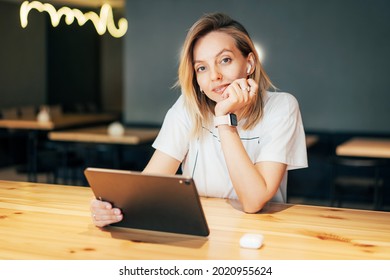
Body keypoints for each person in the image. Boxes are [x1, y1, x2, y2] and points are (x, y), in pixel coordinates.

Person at [90, 12, 308, 227]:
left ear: (249, 63)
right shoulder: (187, 108)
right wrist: (111, 207)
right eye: (202, 67)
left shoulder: (282, 107)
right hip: (202, 229)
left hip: (263, 233)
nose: (215, 76)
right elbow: (150, 183)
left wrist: (224, 119)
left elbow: (253, 201)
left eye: (225, 60)